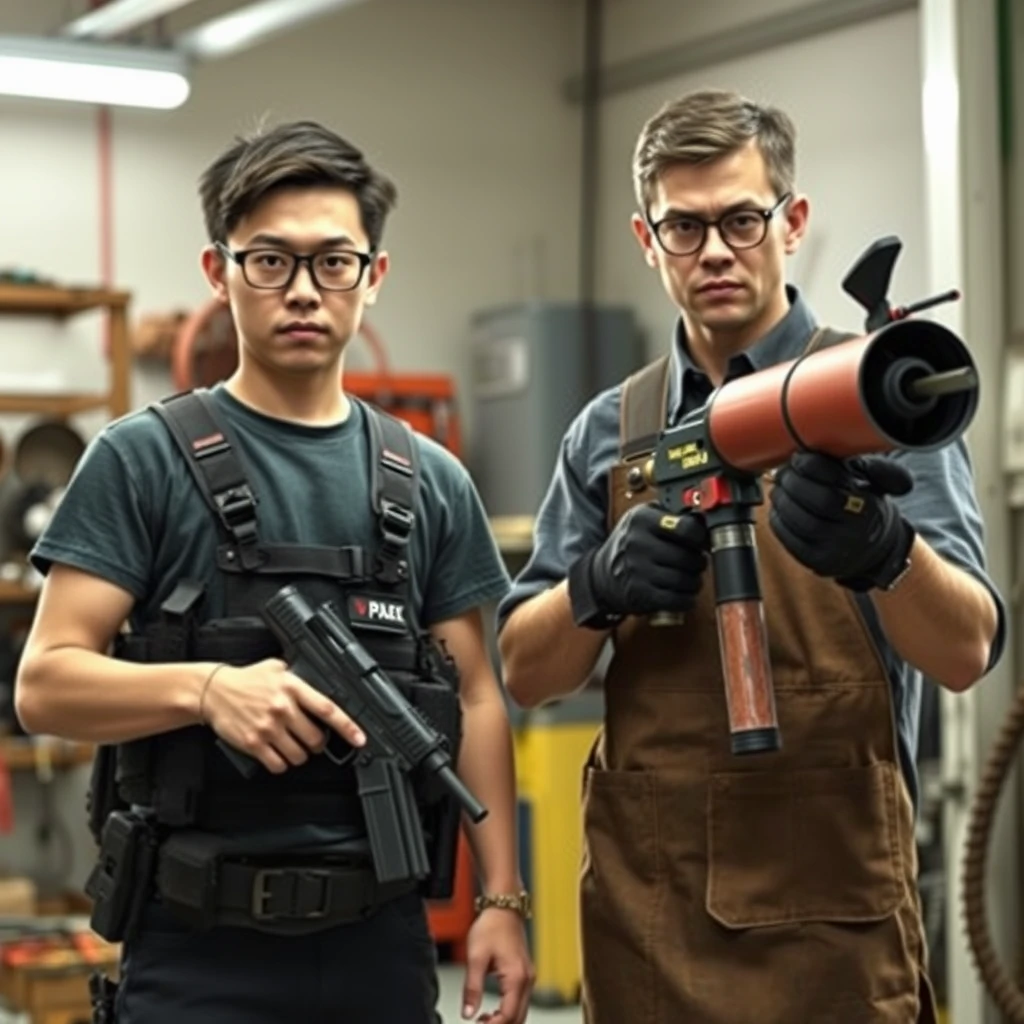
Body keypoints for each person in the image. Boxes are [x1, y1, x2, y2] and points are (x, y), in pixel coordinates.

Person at [496, 88, 1005, 1024]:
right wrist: (595, 587)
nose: (716, 251)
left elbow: (969, 650)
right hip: (652, 928)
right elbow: (524, 672)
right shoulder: (609, 433)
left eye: (740, 218)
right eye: (683, 228)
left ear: (793, 220)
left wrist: (885, 552)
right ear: (646, 241)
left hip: (837, 932)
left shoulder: (879, 399)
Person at [15, 120, 534, 1024]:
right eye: (270, 262)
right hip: (195, 948)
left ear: (374, 276)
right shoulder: (140, 461)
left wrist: (500, 901)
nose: (303, 291)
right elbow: (45, 684)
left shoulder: (431, 481)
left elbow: (481, 697)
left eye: (334, 262)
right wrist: (208, 690)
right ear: (219, 274)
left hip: (380, 943)